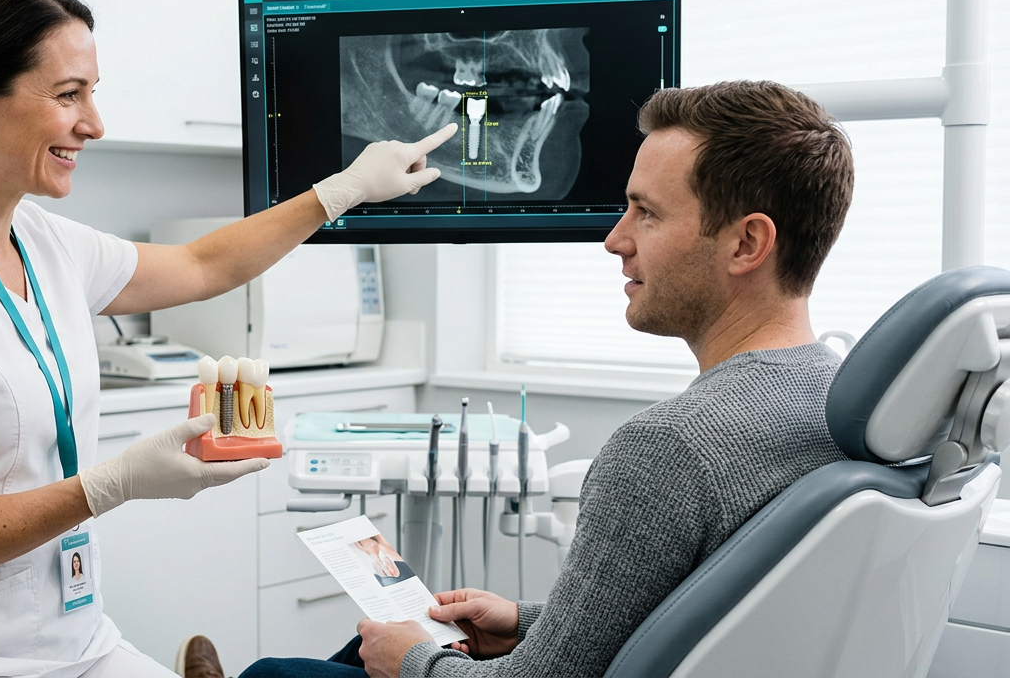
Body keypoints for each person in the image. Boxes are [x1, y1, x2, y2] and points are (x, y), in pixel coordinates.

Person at [0, 0, 457, 678]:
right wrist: (110, 484)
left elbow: (206, 265)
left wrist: (344, 190)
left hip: (76, 644)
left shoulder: (46, 241)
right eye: (68, 95)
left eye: (92, 92)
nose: (94, 122)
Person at [189, 80, 855, 678]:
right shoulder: (838, 399)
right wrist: (530, 621)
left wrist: (411, 665)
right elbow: (691, 614)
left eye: (646, 213)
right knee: (392, 640)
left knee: (287, 671)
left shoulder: (669, 449)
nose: (615, 240)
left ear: (747, 243)